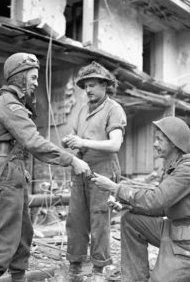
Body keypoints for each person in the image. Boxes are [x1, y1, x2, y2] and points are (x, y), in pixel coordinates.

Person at [0, 52, 91, 282]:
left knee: (23, 232)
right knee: (4, 235)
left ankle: (18, 277)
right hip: (3, 174)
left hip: (11, 171)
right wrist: (71, 159)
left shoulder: (14, 105)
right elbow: (34, 142)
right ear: (19, 77)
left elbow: (20, 145)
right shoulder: (9, 105)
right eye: (33, 77)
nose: (36, 82)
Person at [91, 116, 190, 282]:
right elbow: (161, 207)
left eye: (159, 140)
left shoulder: (189, 168)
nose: (154, 144)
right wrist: (128, 206)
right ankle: (135, 278)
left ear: (173, 143)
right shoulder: (173, 167)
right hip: (180, 232)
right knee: (131, 221)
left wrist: (115, 188)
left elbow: (155, 200)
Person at [62, 61, 127, 281]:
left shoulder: (113, 109)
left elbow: (114, 145)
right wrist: (71, 141)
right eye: (85, 86)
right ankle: (75, 267)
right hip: (81, 169)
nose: (88, 90)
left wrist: (84, 142)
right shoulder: (82, 111)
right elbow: (76, 135)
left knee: (99, 219)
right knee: (76, 218)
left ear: (104, 85)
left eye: (92, 85)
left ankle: (99, 270)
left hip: (103, 170)